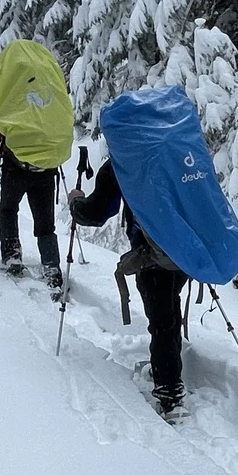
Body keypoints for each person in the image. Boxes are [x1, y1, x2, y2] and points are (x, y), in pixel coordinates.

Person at [66, 161, 187, 417]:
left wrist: (76, 204)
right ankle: (165, 370)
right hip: (188, 251)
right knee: (169, 306)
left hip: (151, 254)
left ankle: (170, 394)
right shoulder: (180, 148)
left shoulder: (124, 159)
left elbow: (97, 212)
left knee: (162, 320)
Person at [0, 122, 62, 293]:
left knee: (8, 210)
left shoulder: (7, 102)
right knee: (45, 224)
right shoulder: (50, 100)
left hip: (15, 168)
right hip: (46, 170)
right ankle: (51, 266)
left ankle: (12, 256)